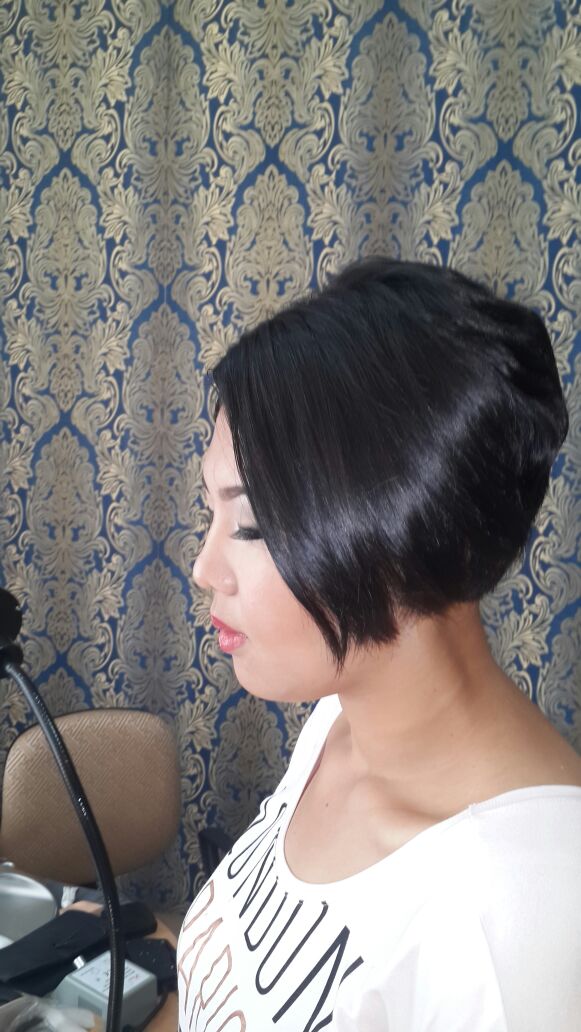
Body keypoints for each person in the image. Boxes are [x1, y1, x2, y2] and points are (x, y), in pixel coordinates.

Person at [177, 258, 581, 1031]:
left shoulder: (515, 926)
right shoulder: (340, 719)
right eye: (212, 512)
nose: (203, 568)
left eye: (249, 523)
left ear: (402, 531)